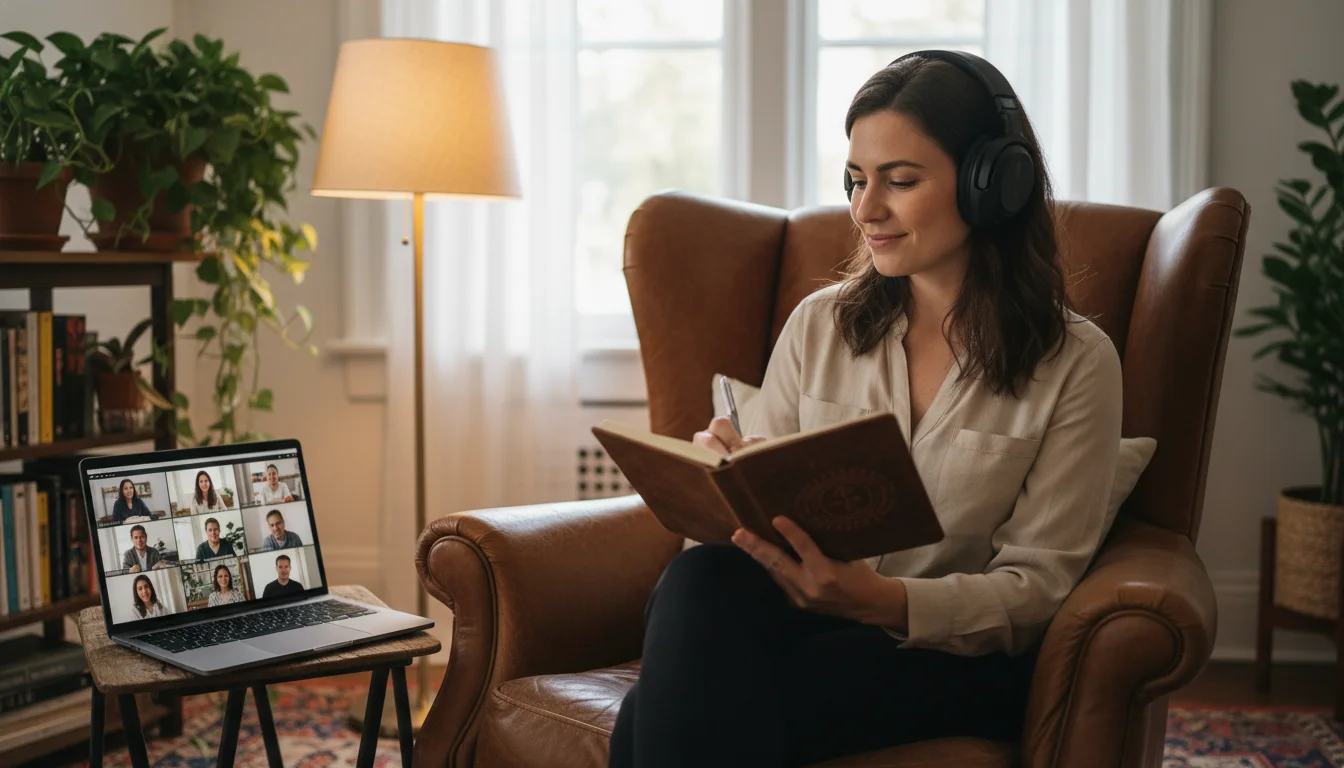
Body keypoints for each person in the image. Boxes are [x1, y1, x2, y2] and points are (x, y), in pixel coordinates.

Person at [608, 51, 1123, 767]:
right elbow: (759, 526)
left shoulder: (1075, 363)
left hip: (948, 655)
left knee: (657, 711)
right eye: (855, 180)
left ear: (992, 184)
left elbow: (1036, 590)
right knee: (703, 579)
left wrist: (882, 600)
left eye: (900, 181)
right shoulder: (821, 325)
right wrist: (729, 488)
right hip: (803, 620)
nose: (864, 209)